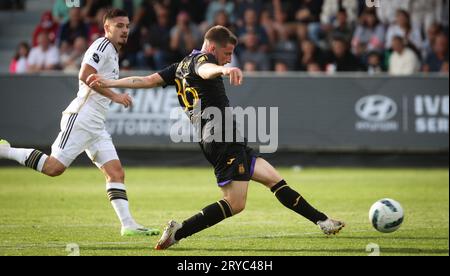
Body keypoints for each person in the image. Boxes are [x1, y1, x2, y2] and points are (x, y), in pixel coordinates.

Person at [86, 26, 345, 250]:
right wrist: (224, 70)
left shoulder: (179, 66)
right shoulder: (202, 62)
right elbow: (206, 69)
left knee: (274, 179)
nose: (227, 58)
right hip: (222, 140)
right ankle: (179, 230)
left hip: (226, 138)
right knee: (235, 204)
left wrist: (110, 83)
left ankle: (323, 221)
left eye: (230, 55)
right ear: (211, 46)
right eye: (226, 53)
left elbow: (144, 80)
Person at [0, 9, 159, 237]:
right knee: (54, 168)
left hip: (96, 124)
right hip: (82, 118)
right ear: (107, 28)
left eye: (127, 26)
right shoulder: (102, 46)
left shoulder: (113, 52)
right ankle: (4, 151)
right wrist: (116, 96)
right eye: (119, 26)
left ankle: (128, 225)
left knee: (116, 172)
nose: (125, 30)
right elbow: (84, 75)